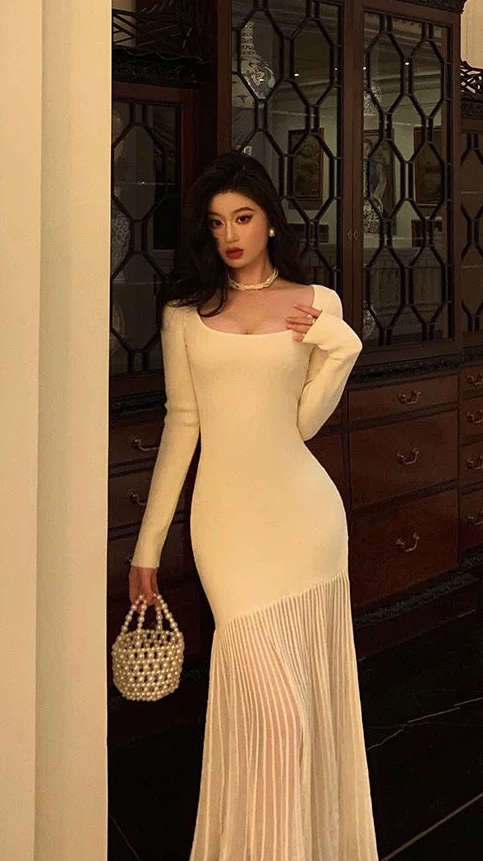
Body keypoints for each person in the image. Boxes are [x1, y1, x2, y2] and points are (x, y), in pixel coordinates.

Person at [128, 151, 379, 861]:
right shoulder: (185, 314)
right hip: (227, 530)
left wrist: (340, 352)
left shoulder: (315, 302)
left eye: (242, 218)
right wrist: (147, 548)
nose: (230, 235)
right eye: (216, 224)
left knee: (303, 713)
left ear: (270, 221)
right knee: (278, 711)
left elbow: (300, 425)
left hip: (305, 522)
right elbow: (183, 425)